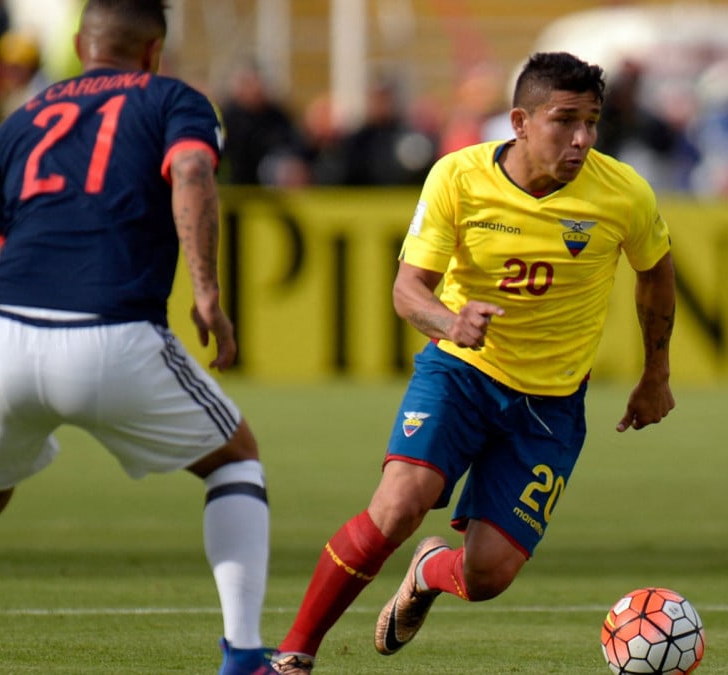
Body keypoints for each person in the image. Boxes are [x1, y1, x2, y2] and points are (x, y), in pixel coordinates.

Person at [0, 2, 275, 674]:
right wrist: (206, 291)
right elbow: (191, 172)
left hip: (2, 330)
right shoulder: (172, 98)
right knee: (235, 458)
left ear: (78, 44)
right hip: (111, 327)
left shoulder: (20, 122)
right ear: (154, 49)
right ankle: (243, 656)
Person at [270, 51, 677, 674]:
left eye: (591, 122)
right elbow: (409, 289)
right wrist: (448, 323)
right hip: (459, 373)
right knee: (399, 505)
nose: (581, 139)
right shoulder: (457, 177)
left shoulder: (623, 193)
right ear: (519, 120)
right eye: (564, 120)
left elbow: (655, 274)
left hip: (550, 404)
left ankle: (431, 570)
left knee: (487, 576)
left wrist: (656, 376)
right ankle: (293, 656)